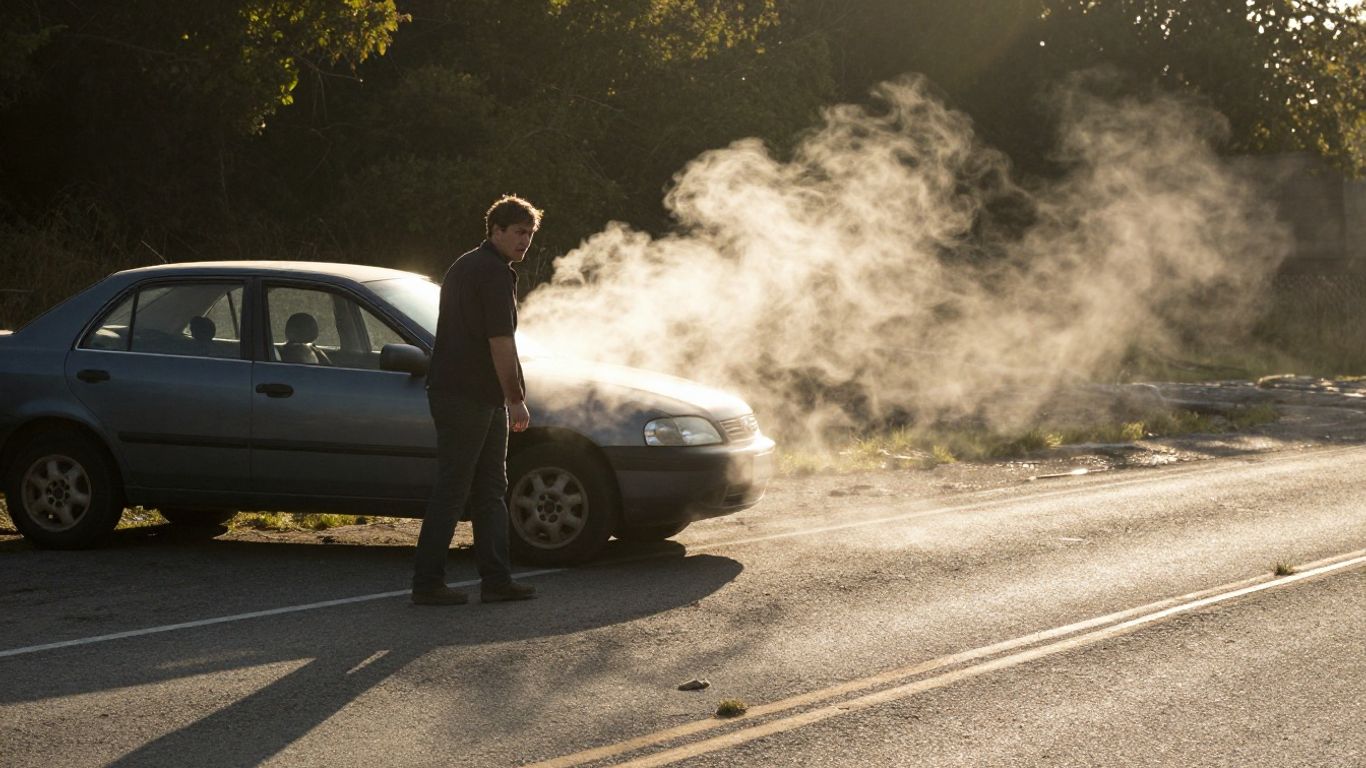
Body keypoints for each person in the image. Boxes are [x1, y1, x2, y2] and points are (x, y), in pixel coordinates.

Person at [411, 195, 542, 605]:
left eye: (530, 234)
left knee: (490, 488)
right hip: (466, 396)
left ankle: (496, 581)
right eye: (519, 233)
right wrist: (515, 399)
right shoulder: (493, 273)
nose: (525, 241)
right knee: (456, 489)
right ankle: (428, 584)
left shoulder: (466, 265)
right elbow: (500, 342)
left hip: (466, 394)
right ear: (496, 230)